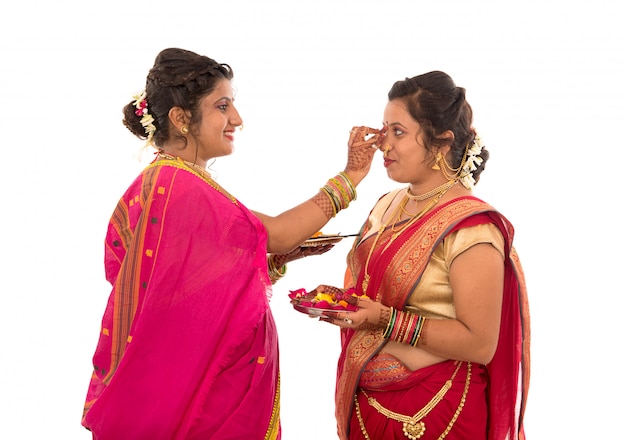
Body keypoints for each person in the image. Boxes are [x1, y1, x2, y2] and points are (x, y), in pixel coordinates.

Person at [80, 47, 384, 439]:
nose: (236, 119)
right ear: (180, 118)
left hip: (181, 387)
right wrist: (352, 175)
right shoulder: (182, 186)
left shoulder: (164, 183)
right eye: (222, 106)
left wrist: (273, 261)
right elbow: (279, 232)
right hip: (202, 405)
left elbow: (192, 287)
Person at [300, 71, 530, 439]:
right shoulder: (387, 205)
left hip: (437, 413)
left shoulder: (471, 228)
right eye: (384, 130)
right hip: (368, 404)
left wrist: (385, 321)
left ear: (441, 143)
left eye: (398, 132)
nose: (384, 145)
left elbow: (481, 343)